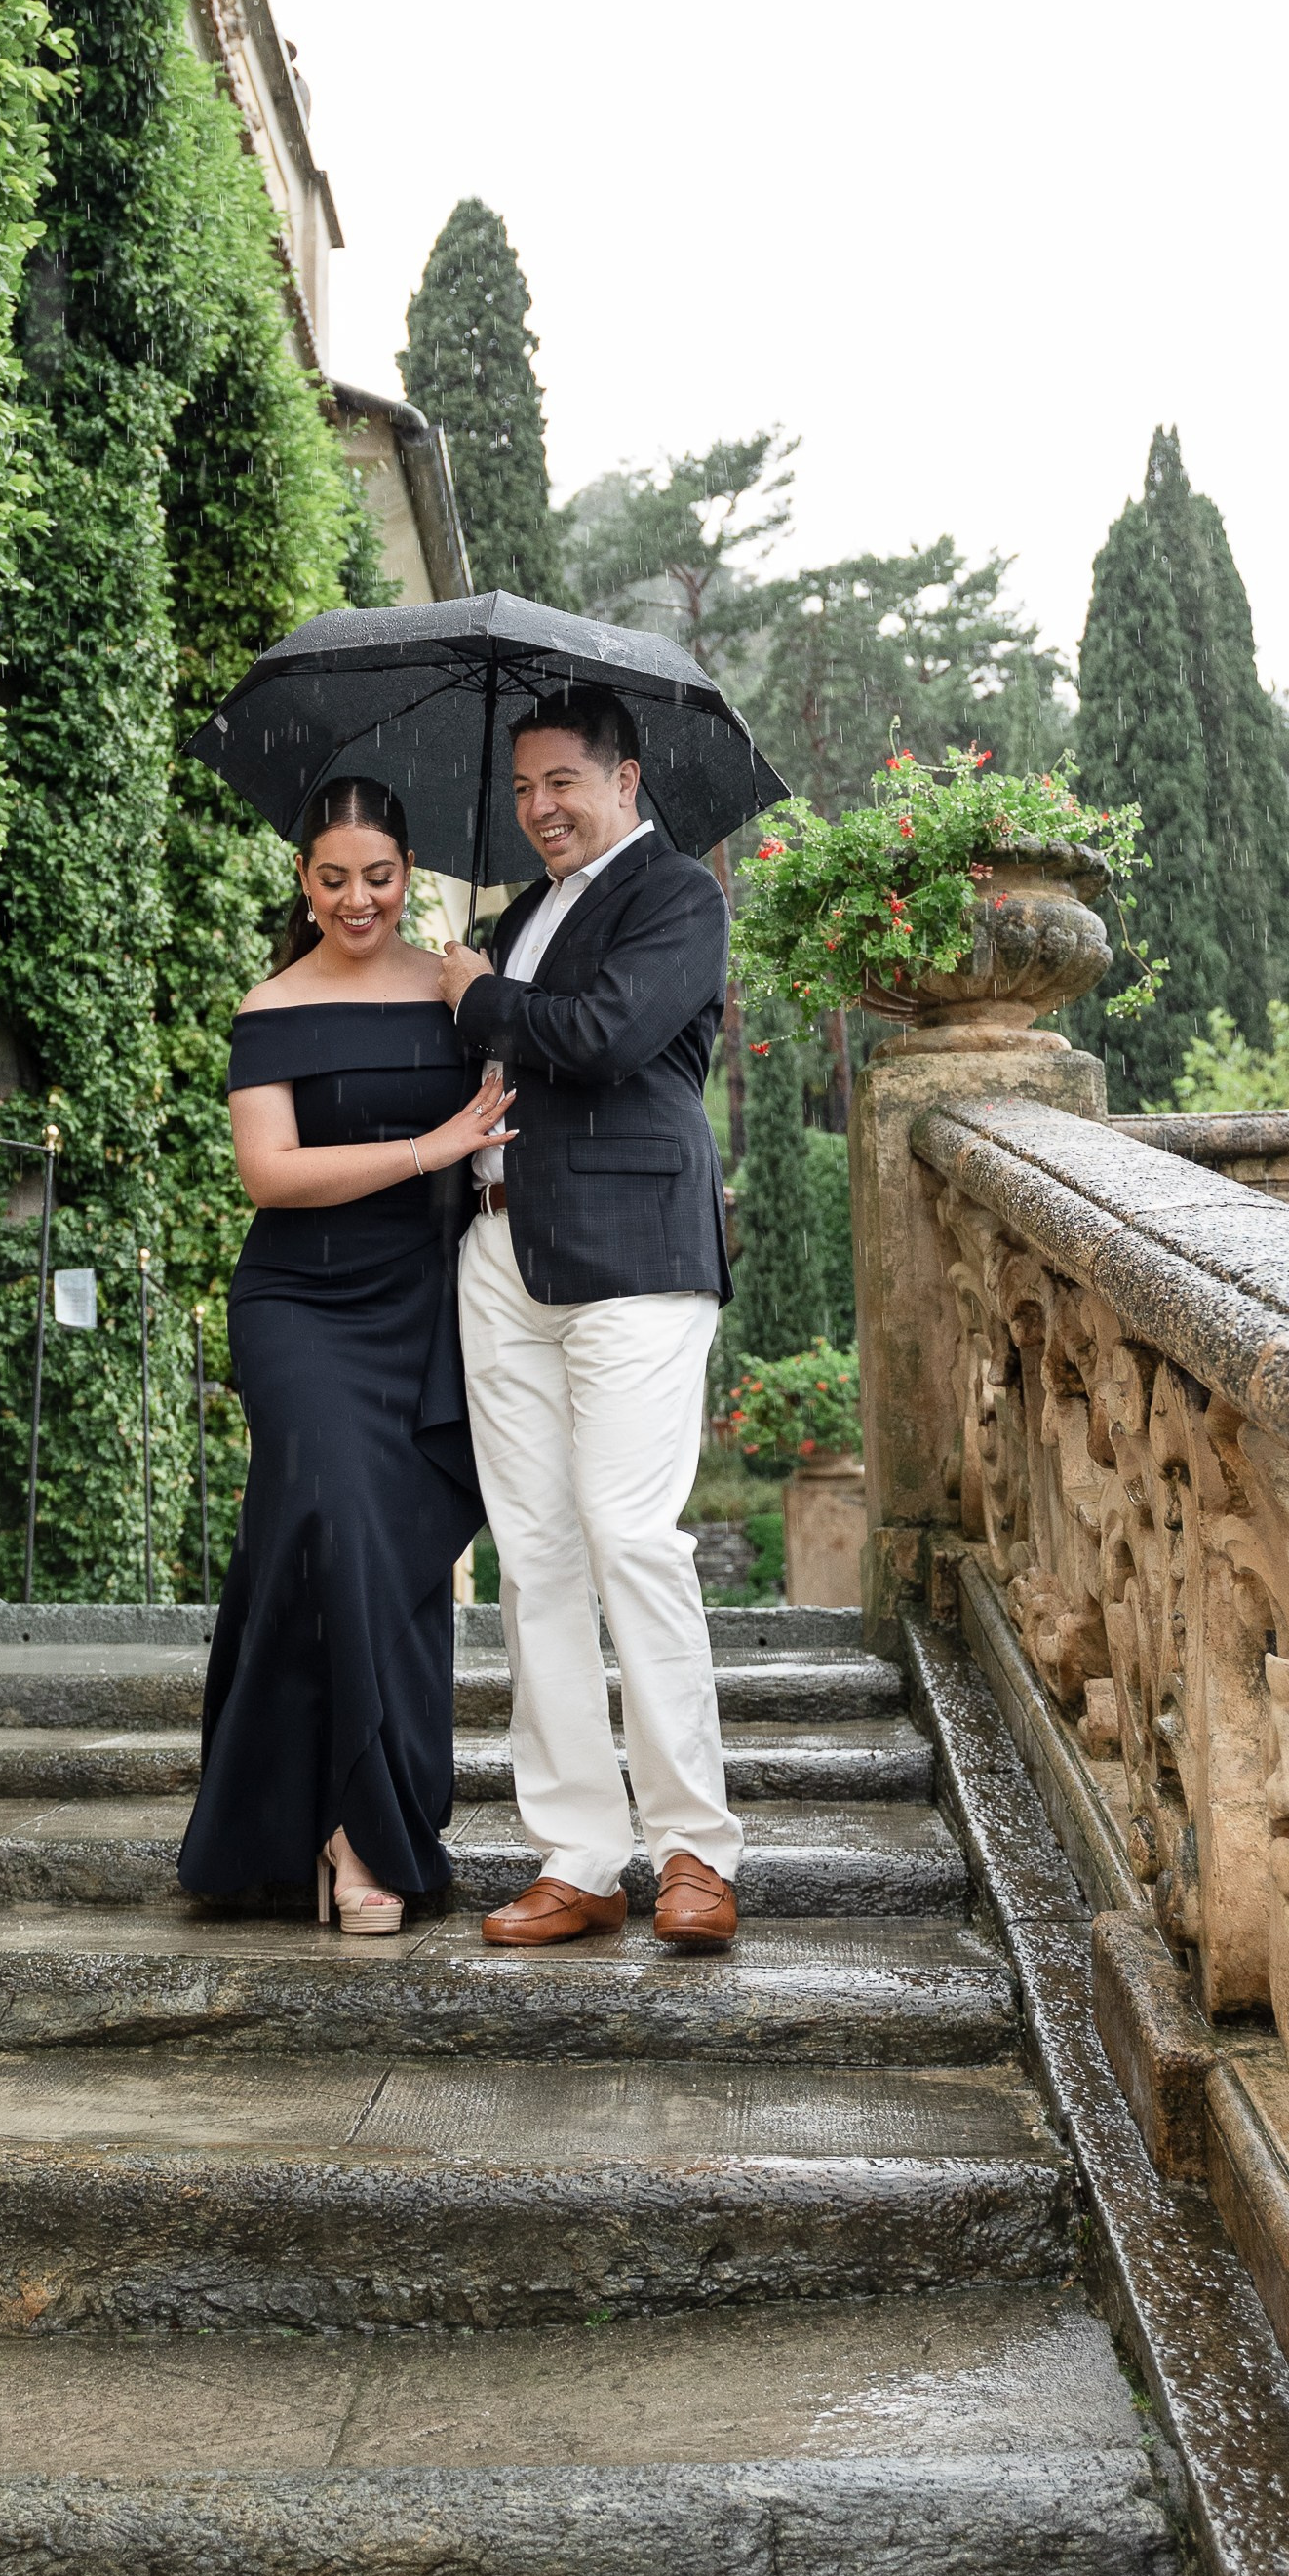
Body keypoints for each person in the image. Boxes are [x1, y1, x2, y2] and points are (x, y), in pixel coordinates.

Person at [436, 688, 743, 1954]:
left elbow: (609, 1036)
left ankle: (694, 1851)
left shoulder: (677, 895)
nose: (540, 808)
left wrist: (478, 998)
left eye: (562, 781)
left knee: (629, 1535)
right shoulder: (518, 917)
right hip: (501, 1244)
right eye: (523, 790)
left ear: (624, 780)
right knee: (538, 1554)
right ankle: (578, 1854)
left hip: (633, 1251)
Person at [177, 777, 511, 1936]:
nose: (356, 898)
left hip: (427, 1304)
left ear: (406, 874)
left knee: (389, 1550)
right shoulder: (268, 1004)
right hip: (300, 1305)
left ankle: (359, 1826)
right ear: (303, 882)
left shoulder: (456, 988)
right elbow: (268, 1175)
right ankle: (338, 1825)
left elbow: (509, 1129)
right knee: (325, 1514)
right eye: (332, 878)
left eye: (377, 876)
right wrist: (429, 1146)